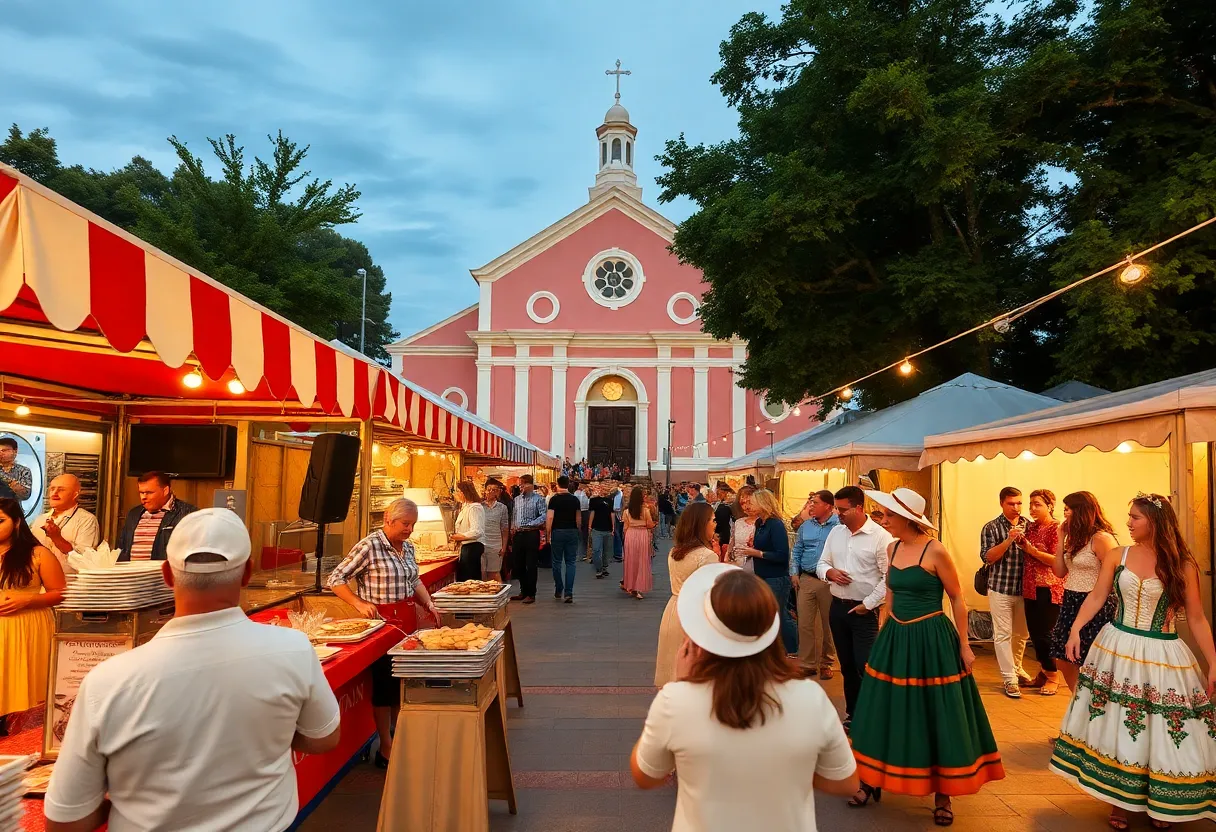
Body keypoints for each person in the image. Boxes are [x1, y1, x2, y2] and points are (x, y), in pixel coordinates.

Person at [44, 508, 341, 832]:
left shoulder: (108, 681)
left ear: (168, 575)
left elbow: (65, 820)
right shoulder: (293, 649)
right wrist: (268, 733)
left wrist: (130, 796)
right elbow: (324, 737)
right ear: (247, 574)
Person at [630, 564, 860, 830]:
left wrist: (681, 684)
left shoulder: (677, 700)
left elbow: (646, 775)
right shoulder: (810, 698)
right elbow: (846, 782)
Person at [1050, 494, 1216, 828]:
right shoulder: (1117, 554)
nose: (1128, 522)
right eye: (1129, 516)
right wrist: (1076, 629)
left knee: (1161, 728)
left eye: (1135, 517)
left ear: (1155, 521)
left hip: (1162, 652)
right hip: (1117, 647)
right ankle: (1120, 801)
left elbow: (1196, 618)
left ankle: (1162, 803)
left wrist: (1213, 662)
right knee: (1118, 723)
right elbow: (1098, 595)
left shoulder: (1182, 563)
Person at [846, 488, 1005, 824]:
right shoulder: (892, 547)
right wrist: (882, 632)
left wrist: (964, 646)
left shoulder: (936, 551)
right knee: (882, 708)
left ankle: (943, 795)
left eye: (888, 515)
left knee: (937, 713)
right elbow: (889, 594)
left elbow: (958, 600)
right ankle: (870, 779)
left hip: (931, 638)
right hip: (895, 638)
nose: (883, 519)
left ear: (906, 518)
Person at [326, 499, 440, 767]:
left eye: (412, 525)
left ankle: (400, 736)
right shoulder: (369, 545)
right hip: (383, 625)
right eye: (405, 524)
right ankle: (386, 749)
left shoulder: (408, 547)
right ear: (388, 519)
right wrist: (358, 602)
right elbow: (336, 579)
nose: (409, 530)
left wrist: (429, 603)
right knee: (385, 687)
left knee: (403, 683)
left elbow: (414, 580)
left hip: (406, 623)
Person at [816, 485, 894, 727]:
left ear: (859, 508)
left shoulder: (881, 537)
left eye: (843, 510)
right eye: (837, 509)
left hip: (864, 612)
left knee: (866, 665)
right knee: (847, 666)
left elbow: (888, 577)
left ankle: (875, 715)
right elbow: (821, 563)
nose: (839, 514)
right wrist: (830, 572)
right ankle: (854, 715)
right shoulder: (836, 533)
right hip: (838, 607)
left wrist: (868, 604)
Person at [0, 497, 66, 733]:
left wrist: (28, 599)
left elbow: (60, 594)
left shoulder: (37, 553)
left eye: (0, 521)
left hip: (27, 627)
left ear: (17, 522)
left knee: (21, 691)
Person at [1048, 491, 1119, 694]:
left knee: (1087, 656)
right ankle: (1079, 700)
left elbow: (1114, 574)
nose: (1064, 515)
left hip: (1094, 600)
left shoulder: (1101, 538)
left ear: (1080, 511)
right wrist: (1061, 538)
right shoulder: (1075, 538)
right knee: (1063, 656)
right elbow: (1059, 572)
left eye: (1067, 510)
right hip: (1071, 598)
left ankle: (1089, 701)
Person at [654, 502, 718, 686]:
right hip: (696, 614)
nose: (715, 524)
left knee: (673, 666)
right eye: (712, 520)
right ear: (702, 523)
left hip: (673, 610)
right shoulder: (707, 556)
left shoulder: (675, 551)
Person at [979, 486, 1033, 698]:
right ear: (1001, 503)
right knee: (1003, 634)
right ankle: (1009, 678)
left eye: (1019, 503)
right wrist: (1009, 540)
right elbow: (988, 557)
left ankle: (1017, 668)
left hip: (1025, 589)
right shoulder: (991, 527)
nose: (1017, 507)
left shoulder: (1029, 525)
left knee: (1021, 634)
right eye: (1011, 503)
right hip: (1000, 588)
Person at [732, 488, 796, 657]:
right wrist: (751, 548)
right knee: (767, 614)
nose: (748, 506)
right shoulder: (761, 523)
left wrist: (757, 553)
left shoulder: (775, 524)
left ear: (762, 503)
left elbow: (782, 555)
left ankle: (790, 650)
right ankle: (773, 649)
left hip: (775, 577)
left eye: (752, 502)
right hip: (760, 575)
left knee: (777, 614)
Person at [790, 489, 839, 679]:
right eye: (810, 502)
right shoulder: (806, 527)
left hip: (828, 580)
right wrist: (794, 572)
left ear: (827, 506)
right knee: (805, 623)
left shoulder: (839, 526)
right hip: (807, 578)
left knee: (828, 623)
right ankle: (808, 663)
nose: (811, 505)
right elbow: (797, 550)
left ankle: (827, 662)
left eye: (815, 502)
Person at [1020, 489, 1064, 695]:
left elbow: (1057, 560)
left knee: (1046, 636)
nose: (1032, 508)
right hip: (1030, 587)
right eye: (1031, 504)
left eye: (1037, 504)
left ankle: (1053, 676)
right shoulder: (1030, 528)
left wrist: (1032, 551)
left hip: (1050, 587)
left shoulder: (1057, 528)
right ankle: (1044, 672)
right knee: (1035, 635)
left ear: (1050, 506)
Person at [116, 471, 198, 562]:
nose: (143, 497)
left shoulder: (187, 514)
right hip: (131, 574)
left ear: (165, 491)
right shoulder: (133, 514)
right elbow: (121, 549)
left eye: (149, 493)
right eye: (141, 492)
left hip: (162, 575)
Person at [32, 474, 101, 575]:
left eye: (61, 490)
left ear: (75, 495)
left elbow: (85, 561)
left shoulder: (86, 520)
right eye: (52, 489)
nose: (54, 493)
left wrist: (57, 539)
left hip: (70, 585)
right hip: (39, 585)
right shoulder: (40, 520)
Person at [510, 475, 547, 604]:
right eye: (520, 484)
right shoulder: (516, 500)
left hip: (531, 533)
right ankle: (523, 590)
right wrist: (513, 527)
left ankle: (531, 593)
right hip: (518, 534)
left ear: (531, 485)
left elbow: (543, 515)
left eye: (524, 484)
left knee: (531, 564)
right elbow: (514, 515)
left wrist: (531, 524)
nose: (522, 487)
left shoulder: (539, 499)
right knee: (518, 564)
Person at [547, 475, 582, 604]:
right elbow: (578, 518)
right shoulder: (575, 500)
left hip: (558, 531)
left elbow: (550, 517)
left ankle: (559, 587)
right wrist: (577, 530)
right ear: (568, 484)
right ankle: (569, 592)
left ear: (557, 484)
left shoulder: (554, 500)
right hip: (571, 531)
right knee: (571, 562)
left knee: (556, 562)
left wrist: (548, 532)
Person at [621, 486, 656, 600]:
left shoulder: (626, 512)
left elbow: (625, 527)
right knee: (641, 561)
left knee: (631, 561)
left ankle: (629, 585)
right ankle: (637, 586)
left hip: (630, 535)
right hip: (642, 535)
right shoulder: (645, 510)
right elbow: (650, 524)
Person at [450, 481, 486, 582]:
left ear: (463, 493)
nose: (456, 494)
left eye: (458, 491)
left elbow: (477, 531)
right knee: (464, 577)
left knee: (469, 579)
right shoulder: (465, 507)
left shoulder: (474, 508)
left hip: (472, 547)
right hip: (466, 547)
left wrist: (459, 536)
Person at [481, 481, 509, 582]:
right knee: (482, 573)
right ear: (485, 491)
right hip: (481, 543)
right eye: (489, 489)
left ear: (498, 492)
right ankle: (486, 596)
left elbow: (505, 529)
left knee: (494, 573)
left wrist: (504, 547)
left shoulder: (502, 508)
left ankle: (500, 596)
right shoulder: (479, 506)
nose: (491, 492)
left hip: (495, 544)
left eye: (494, 490)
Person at [588, 484, 616, 579]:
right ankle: (598, 569)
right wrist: (589, 526)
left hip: (607, 529)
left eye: (604, 488)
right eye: (601, 488)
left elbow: (612, 513)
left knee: (606, 550)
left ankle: (604, 567)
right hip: (596, 528)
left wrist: (613, 527)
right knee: (596, 550)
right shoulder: (593, 500)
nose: (602, 490)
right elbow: (592, 513)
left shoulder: (610, 501)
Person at [728, 485, 757, 570]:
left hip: (757, 568)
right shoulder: (738, 522)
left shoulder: (765, 522)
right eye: (742, 503)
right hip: (737, 566)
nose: (746, 506)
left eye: (749, 502)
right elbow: (732, 543)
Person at [0, 437, 31, 502]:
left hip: (13, 509)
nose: (0, 453)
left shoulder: (23, 471)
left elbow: (25, 495)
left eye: (4, 450)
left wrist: (11, 483)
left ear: (15, 451)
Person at [712, 483, 735, 559]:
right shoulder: (720, 504)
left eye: (720, 492)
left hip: (724, 533)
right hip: (721, 532)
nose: (718, 494)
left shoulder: (728, 505)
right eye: (718, 492)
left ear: (725, 492)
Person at [575, 479, 591, 558]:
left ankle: (583, 552)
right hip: (581, 512)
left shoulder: (587, 492)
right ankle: (580, 552)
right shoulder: (578, 493)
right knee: (580, 532)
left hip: (584, 512)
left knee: (583, 533)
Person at [612, 482, 626, 562]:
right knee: (619, 534)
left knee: (617, 534)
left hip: (617, 516)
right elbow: (623, 505)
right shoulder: (620, 494)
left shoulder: (618, 493)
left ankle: (618, 554)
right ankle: (620, 553)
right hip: (620, 516)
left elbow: (616, 507)